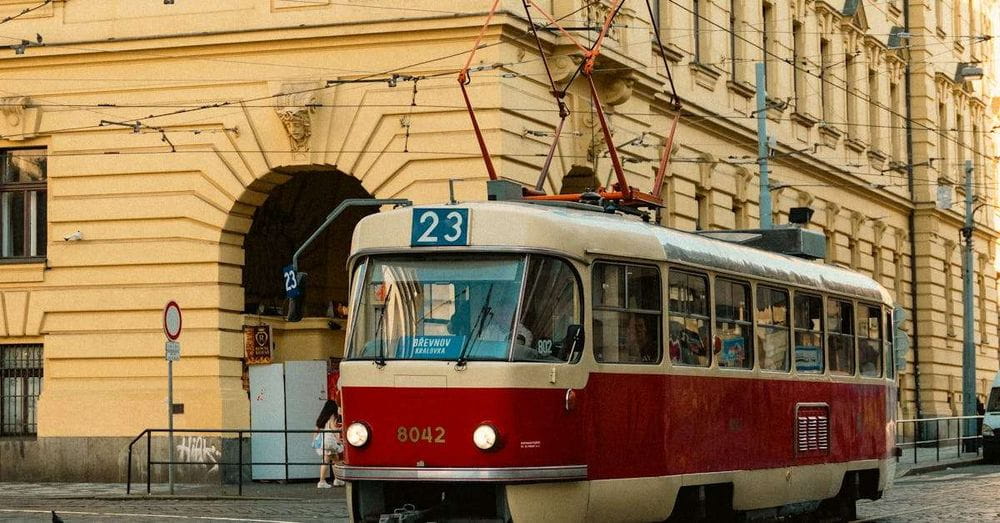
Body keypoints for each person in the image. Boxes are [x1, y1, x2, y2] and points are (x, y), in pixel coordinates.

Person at [315, 400, 344, 488]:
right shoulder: (332, 417)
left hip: (323, 440)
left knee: (336, 459)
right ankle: (322, 481)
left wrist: (314, 440)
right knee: (326, 460)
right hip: (329, 440)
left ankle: (338, 479)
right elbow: (333, 429)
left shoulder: (322, 417)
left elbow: (316, 429)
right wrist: (339, 439)